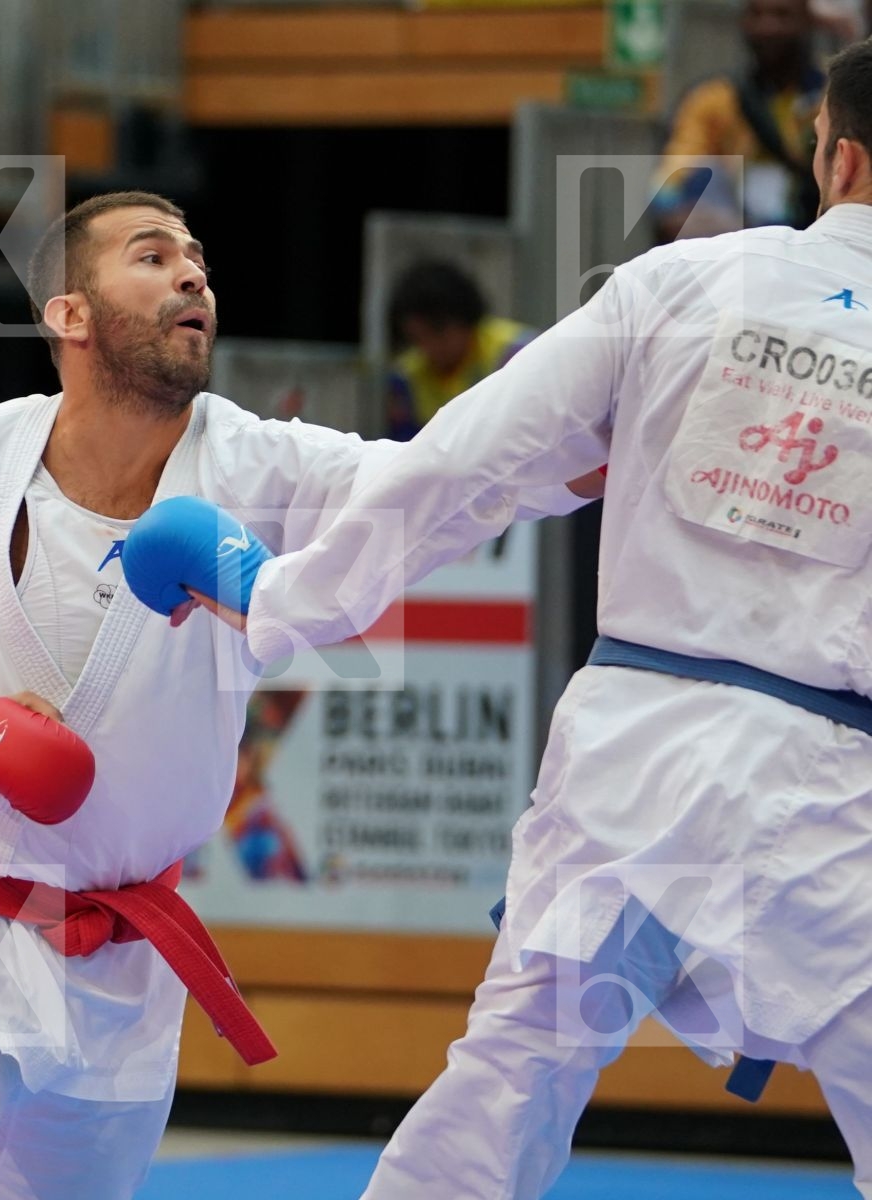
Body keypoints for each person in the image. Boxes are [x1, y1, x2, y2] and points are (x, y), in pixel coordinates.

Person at [175, 38, 872, 1200]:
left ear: (835, 154)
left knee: (511, 1078)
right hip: (830, 787)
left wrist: (286, 599)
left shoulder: (686, 280)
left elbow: (462, 462)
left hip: (629, 766)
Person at [0, 190, 596, 1199]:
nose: (193, 277)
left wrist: (587, 442)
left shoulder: (260, 467)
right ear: (70, 315)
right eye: (153, 256)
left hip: (121, 953)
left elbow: (436, 482)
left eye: (200, 262)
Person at [657, 0, 824, 236]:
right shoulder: (714, 98)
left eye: (782, 15)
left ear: (808, 21)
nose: (767, 27)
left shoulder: (833, 96)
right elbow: (671, 180)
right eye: (756, 14)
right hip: (737, 232)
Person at [385, 260, 535, 441]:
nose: (430, 347)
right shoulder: (405, 377)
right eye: (418, 339)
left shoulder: (519, 352)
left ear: (465, 318)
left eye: (438, 332)